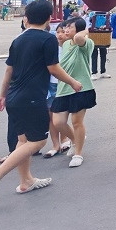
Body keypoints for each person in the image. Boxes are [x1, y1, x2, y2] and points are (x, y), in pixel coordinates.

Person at [0, 0, 82, 208]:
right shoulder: (48, 39)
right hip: (32, 98)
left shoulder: (18, 39)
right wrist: (72, 81)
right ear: (48, 19)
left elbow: (9, 70)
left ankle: (26, 181)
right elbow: (53, 68)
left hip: (14, 97)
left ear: (26, 17)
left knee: (23, 140)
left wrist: (2, 95)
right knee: (38, 142)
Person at [49, 17, 96, 168]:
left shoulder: (86, 43)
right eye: (65, 27)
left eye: (70, 27)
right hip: (64, 88)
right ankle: (76, 140)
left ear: (80, 29)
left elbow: (78, 38)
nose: (66, 30)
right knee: (58, 122)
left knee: (77, 122)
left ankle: (78, 153)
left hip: (82, 87)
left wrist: (86, 29)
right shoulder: (66, 43)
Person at [42, 23, 72, 159]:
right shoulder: (52, 46)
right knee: (51, 117)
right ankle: (55, 145)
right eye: (57, 32)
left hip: (65, 86)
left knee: (60, 118)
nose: (60, 34)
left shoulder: (72, 47)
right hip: (51, 86)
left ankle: (66, 139)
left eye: (63, 31)